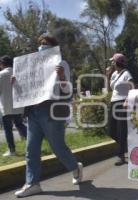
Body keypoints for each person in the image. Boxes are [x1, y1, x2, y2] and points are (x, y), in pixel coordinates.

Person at [14, 35, 83, 197]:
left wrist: (62, 77)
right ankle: (32, 183)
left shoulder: (61, 63)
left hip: (52, 110)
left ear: (53, 47)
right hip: (34, 112)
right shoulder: (31, 67)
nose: (41, 46)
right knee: (31, 149)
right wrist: (17, 82)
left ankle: (75, 167)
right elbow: (27, 91)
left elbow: (67, 92)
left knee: (58, 147)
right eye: (40, 44)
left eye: (45, 44)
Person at [108, 53, 134, 166]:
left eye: (113, 61)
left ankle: (121, 156)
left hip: (122, 102)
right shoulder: (114, 74)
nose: (111, 63)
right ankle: (126, 146)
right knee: (111, 130)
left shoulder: (126, 74)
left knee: (121, 130)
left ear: (117, 62)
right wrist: (107, 75)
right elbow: (110, 88)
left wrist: (128, 99)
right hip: (113, 102)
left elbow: (132, 86)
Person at [0, 55, 27, 157]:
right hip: (18, 105)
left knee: (8, 129)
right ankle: (33, 142)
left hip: (6, 106)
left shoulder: (1, 74)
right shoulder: (18, 73)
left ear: (2, 64)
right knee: (20, 125)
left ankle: (12, 150)